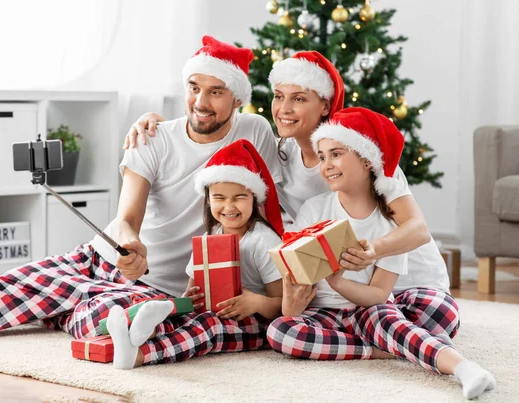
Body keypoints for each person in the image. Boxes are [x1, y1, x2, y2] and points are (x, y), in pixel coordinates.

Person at [0, 35, 282, 342]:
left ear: (237, 99)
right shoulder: (154, 138)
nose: (201, 103)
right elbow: (127, 217)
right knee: (3, 290)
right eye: (194, 88)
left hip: (158, 291)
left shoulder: (255, 132)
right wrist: (131, 243)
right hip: (105, 261)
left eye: (216, 92)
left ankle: (66, 309)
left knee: (114, 321)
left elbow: (281, 192)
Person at [124, 50, 458, 342]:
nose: (283, 108)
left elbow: (418, 229)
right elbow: (214, 137)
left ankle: (376, 336)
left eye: (299, 98)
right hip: (338, 285)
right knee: (282, 327)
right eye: (279, 96)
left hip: (402, 280)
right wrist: (159, 124)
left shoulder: (360, 153)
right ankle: (375, 342)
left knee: (437, 317)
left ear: (325, 104)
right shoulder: (277, 151)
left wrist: (373, 251)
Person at [266, 108, 495, 400]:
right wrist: (291, 307)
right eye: (322, 157)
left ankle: (463, 368)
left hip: (367, 309)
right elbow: (293, 281)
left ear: (366, 160)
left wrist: (339, 283)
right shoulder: (314, 209)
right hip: (321, 313)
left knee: (388, 318)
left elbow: (377, 295)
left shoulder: (388, 224)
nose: (326, 165)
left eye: (336, 154)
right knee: (280, 332)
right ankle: (379, 350)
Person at [106, 139, 284, 369]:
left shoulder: (264, 240)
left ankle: (139, 355)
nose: (229, 207)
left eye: (239, 197)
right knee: (178, 312)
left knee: (208, 326)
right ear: (208, 201)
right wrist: (189, 298)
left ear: (254, 199)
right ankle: (140, 333)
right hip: (216, 312)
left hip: (257, 323)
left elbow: (281, 305)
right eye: (219, 198)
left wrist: (256, 303)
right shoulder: (211, 237)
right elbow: (193, 290)